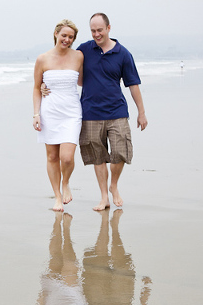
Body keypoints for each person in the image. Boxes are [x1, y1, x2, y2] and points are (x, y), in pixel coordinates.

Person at [46, 13, 146, 210]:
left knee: (120, 153)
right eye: (93, 30)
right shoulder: (84, 50)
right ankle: (103, 197)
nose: (97, 34)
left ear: (109, 28)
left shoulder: (123, 54)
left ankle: (113, 185)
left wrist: (141, 112)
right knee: (97, 157)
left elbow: (133, 84)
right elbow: (64, 66)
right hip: (90, 113)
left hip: (117, 111)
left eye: (100, 30)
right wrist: (44, 85)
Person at [33, 19, 84, 212]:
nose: (67, 40)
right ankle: (57, 197)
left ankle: (66, 183)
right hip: (50, 112)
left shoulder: (79, 56)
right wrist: (36, 114)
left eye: (71, 37)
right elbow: (36, 88)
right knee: (52, 156)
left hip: (71, 112)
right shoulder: (42, 59)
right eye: (64, 35)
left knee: (67, 158)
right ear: (56, 34)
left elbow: (83, 81)